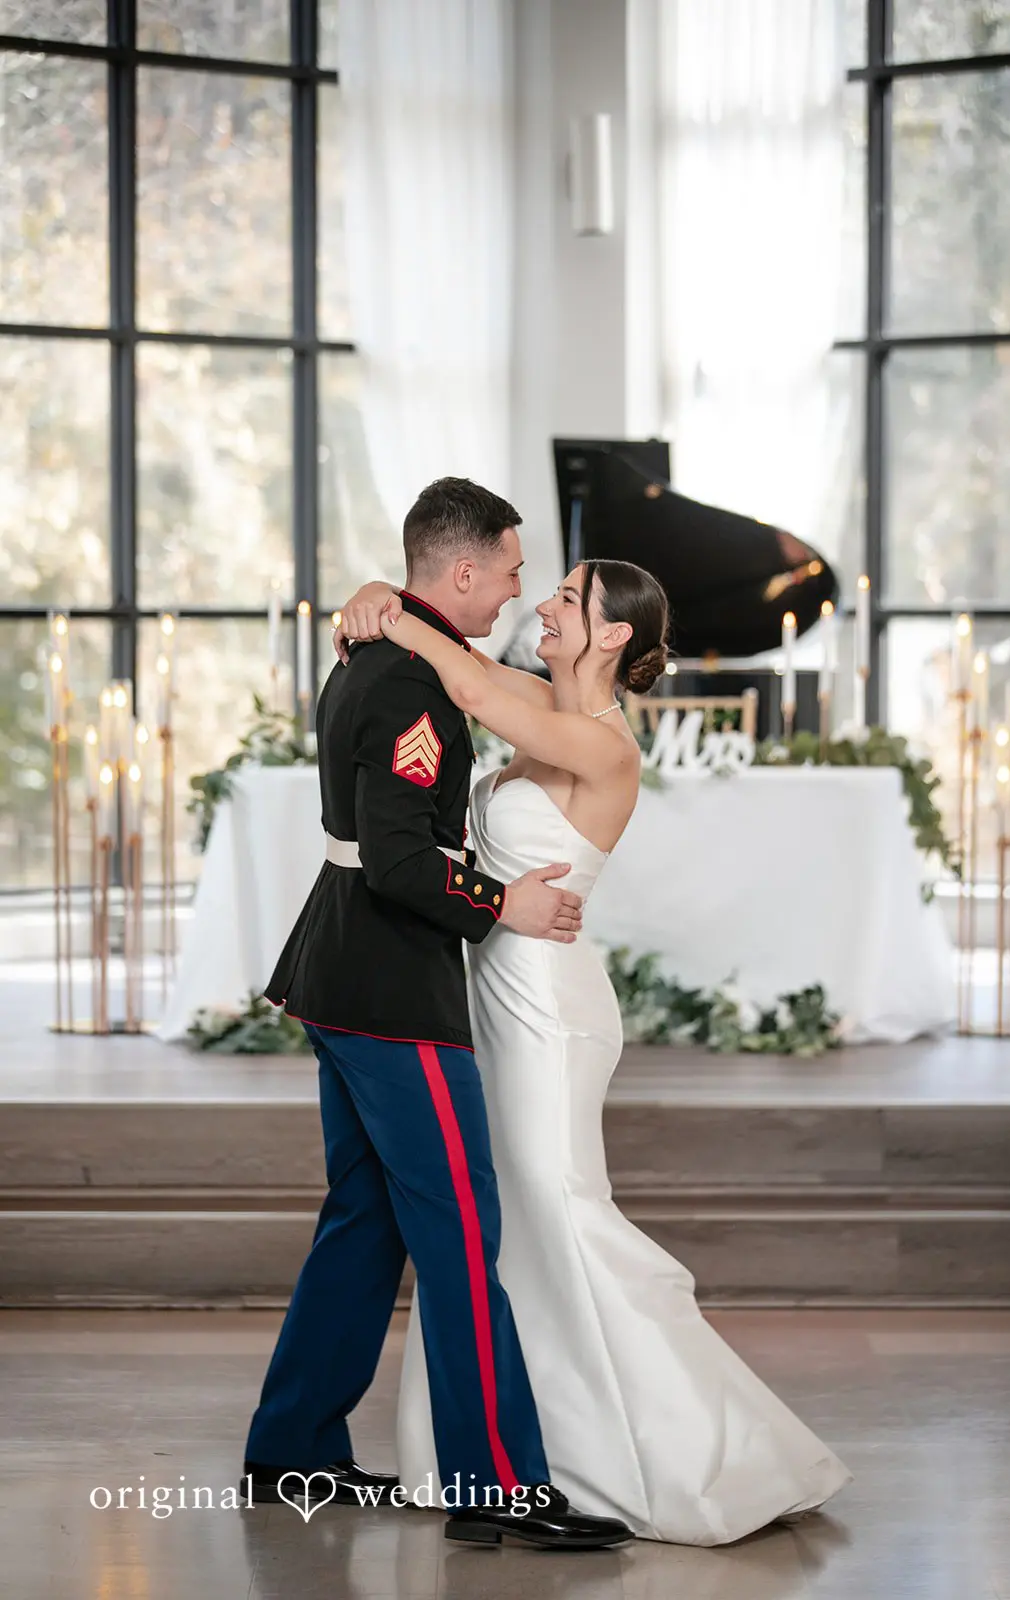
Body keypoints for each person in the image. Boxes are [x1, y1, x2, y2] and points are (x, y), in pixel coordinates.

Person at [335, 554, 852, 1546]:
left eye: (567, 598)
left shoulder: (602, 744)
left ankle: (689, 1446)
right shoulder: (540, 698)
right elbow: (476, 685)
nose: (544, 604)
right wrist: (378, 602)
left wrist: (390, 611)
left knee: (558, 1211)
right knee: (506, 1223)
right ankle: (514, 1454)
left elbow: (470, 683)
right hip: (490, 996)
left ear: (613, 634)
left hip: (550, 1012)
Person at [244, 478, 632, 1552]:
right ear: (461, 573)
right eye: (510, 571)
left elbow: (420, 800)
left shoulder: (398, 655)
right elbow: (406, 863)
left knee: (364, 1223)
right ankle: (496, 1485)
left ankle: (290, 1448)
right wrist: (503, 902)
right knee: (462, 1233)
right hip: (389, 990)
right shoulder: (408, 684)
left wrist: (382, 595)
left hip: (344, 977)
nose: (517, 589)